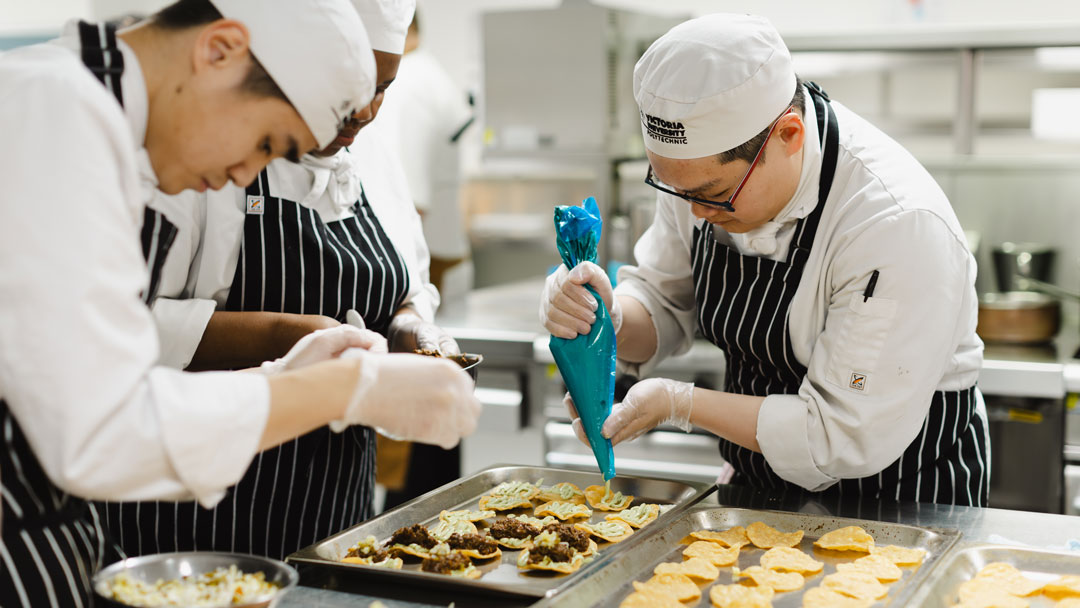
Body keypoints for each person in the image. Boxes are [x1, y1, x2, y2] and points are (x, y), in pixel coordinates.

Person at [0, 0, 480, 604]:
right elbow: (99, 432)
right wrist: (341, 388)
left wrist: (284, 374)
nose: (241, 176)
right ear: (218, 49)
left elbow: (89, 378)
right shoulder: (53, 111)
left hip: (57, 539)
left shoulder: (94, 116)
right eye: (264, 142)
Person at [540, 14, 988, 506]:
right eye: (675, 188)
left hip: (901, 497)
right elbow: (665, 303)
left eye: (714, 195)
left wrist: (679, 403)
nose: (695, 213)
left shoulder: (894, 223)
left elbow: (838, 436)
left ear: (789, 135)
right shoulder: (700, 173)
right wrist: (608, 315)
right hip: (758, 487)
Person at [103, 0, 461, 559]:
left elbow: (405, 280)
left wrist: (410, 326)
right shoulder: (189, 144)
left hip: (337, 505)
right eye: (349, 89)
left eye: (383, 87)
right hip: (194, 524)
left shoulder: (372, 150)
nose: (364, 111)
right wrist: (292, 342)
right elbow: (121, 333)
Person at [376, 8, 476, 509]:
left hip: (423, 272)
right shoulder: (431, 74)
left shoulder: (409, 85)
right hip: (443, 264)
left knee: (414, 449)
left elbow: (406, 205)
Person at [380, 9, 474, 300]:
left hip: (430, 272)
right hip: (445, 258)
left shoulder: (408, 82)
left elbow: (411, 202)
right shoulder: (427, 73)